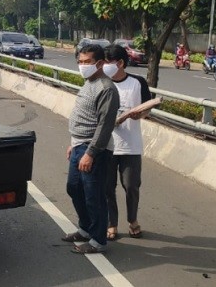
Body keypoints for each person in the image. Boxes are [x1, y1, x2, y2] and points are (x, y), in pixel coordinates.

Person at [63, 43, 120, 254]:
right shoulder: (89, 82)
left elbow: (105, 126)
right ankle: (86, 229)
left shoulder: (106, 89)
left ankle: (98, 240)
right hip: (79, 145)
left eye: (87, 62)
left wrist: (90, 153)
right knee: (74, 188)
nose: (82, 66)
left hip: (94, 150)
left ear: (100, 63)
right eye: (80, 61)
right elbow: (84, 117)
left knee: (93, 195)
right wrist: (74, 143)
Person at [103, 45, 153, 241]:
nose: (104, 66)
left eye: (107, 62)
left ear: (120, 63)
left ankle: (132, 220)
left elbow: (147, 107)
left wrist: (140, 113)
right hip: (106, 145)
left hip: (130, 145)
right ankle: (111, 223)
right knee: (107, 187)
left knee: (131, 185)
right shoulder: (102, 83)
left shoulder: (137, 82)